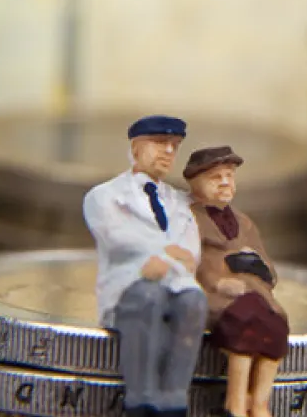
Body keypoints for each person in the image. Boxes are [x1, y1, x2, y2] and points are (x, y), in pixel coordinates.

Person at [82, 115, 208, 417]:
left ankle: (174, 398)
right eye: (160, 143)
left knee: (194, 301)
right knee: (148, 298)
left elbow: (191, 251)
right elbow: (117, 237)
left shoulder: (178, 202)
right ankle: (141, 399)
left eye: (174, 146)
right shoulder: (104, 196)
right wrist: (166, 255)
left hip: (175, 280)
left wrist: (170, 259)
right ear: (136, 149)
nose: (168, 152)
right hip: (129, 280)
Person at [183, 146, 289, 417]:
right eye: (215, 177)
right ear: (196, 183)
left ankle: (260, 402)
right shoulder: (190, 219)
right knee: (245, 324)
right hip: (219, 294)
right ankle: (236, 403)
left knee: (275, 323)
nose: (225, 183)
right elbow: (193, 261)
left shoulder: (245, 223)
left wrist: (259, 270)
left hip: (255, 290)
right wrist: (218, 282)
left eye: (229, 176)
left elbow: (268, 266)